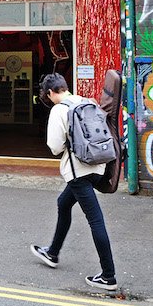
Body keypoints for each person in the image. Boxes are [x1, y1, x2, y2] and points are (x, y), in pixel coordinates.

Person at [30, 73, 117, 292]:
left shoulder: (59, 110)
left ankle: (109, 276)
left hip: (79, 172)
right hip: (99, 166)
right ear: (65, 87)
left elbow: (55, 146)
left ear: (50, 93)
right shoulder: (87, 102)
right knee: (63, 203)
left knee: (95, 221)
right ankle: (52, 253)